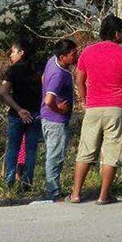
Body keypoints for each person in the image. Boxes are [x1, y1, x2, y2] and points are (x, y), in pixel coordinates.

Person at [70, 15, 122, 205]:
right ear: (117, 33)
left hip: (93, 107)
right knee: (112, 152)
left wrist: (85, 101)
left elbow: (79, 80)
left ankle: (75, 194)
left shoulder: (87, 52)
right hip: (116, 108)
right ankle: (103, 196)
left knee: (85, 151)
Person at [0, 38, 43, 190]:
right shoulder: (38, 69)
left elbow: (4, 93)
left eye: (13, 52)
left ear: (21, 52)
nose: (11, 55)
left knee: (13, 149)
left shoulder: (13, 70)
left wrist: (19, 110)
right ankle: (27, 183)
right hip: (35, 113)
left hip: (17, 114)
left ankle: (9, 183)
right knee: (31, 150)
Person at [41, 39, 78, 201]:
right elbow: (49, 100)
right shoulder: (59, 75)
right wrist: (58, 108)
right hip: (55, 120)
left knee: (53, 155)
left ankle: (53, 191)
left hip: (48, 118)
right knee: (55, 157)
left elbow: (43, 78)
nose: (76, 55)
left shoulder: (52, 61)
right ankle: (53, 193)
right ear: (63, 57)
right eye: (73, 54)